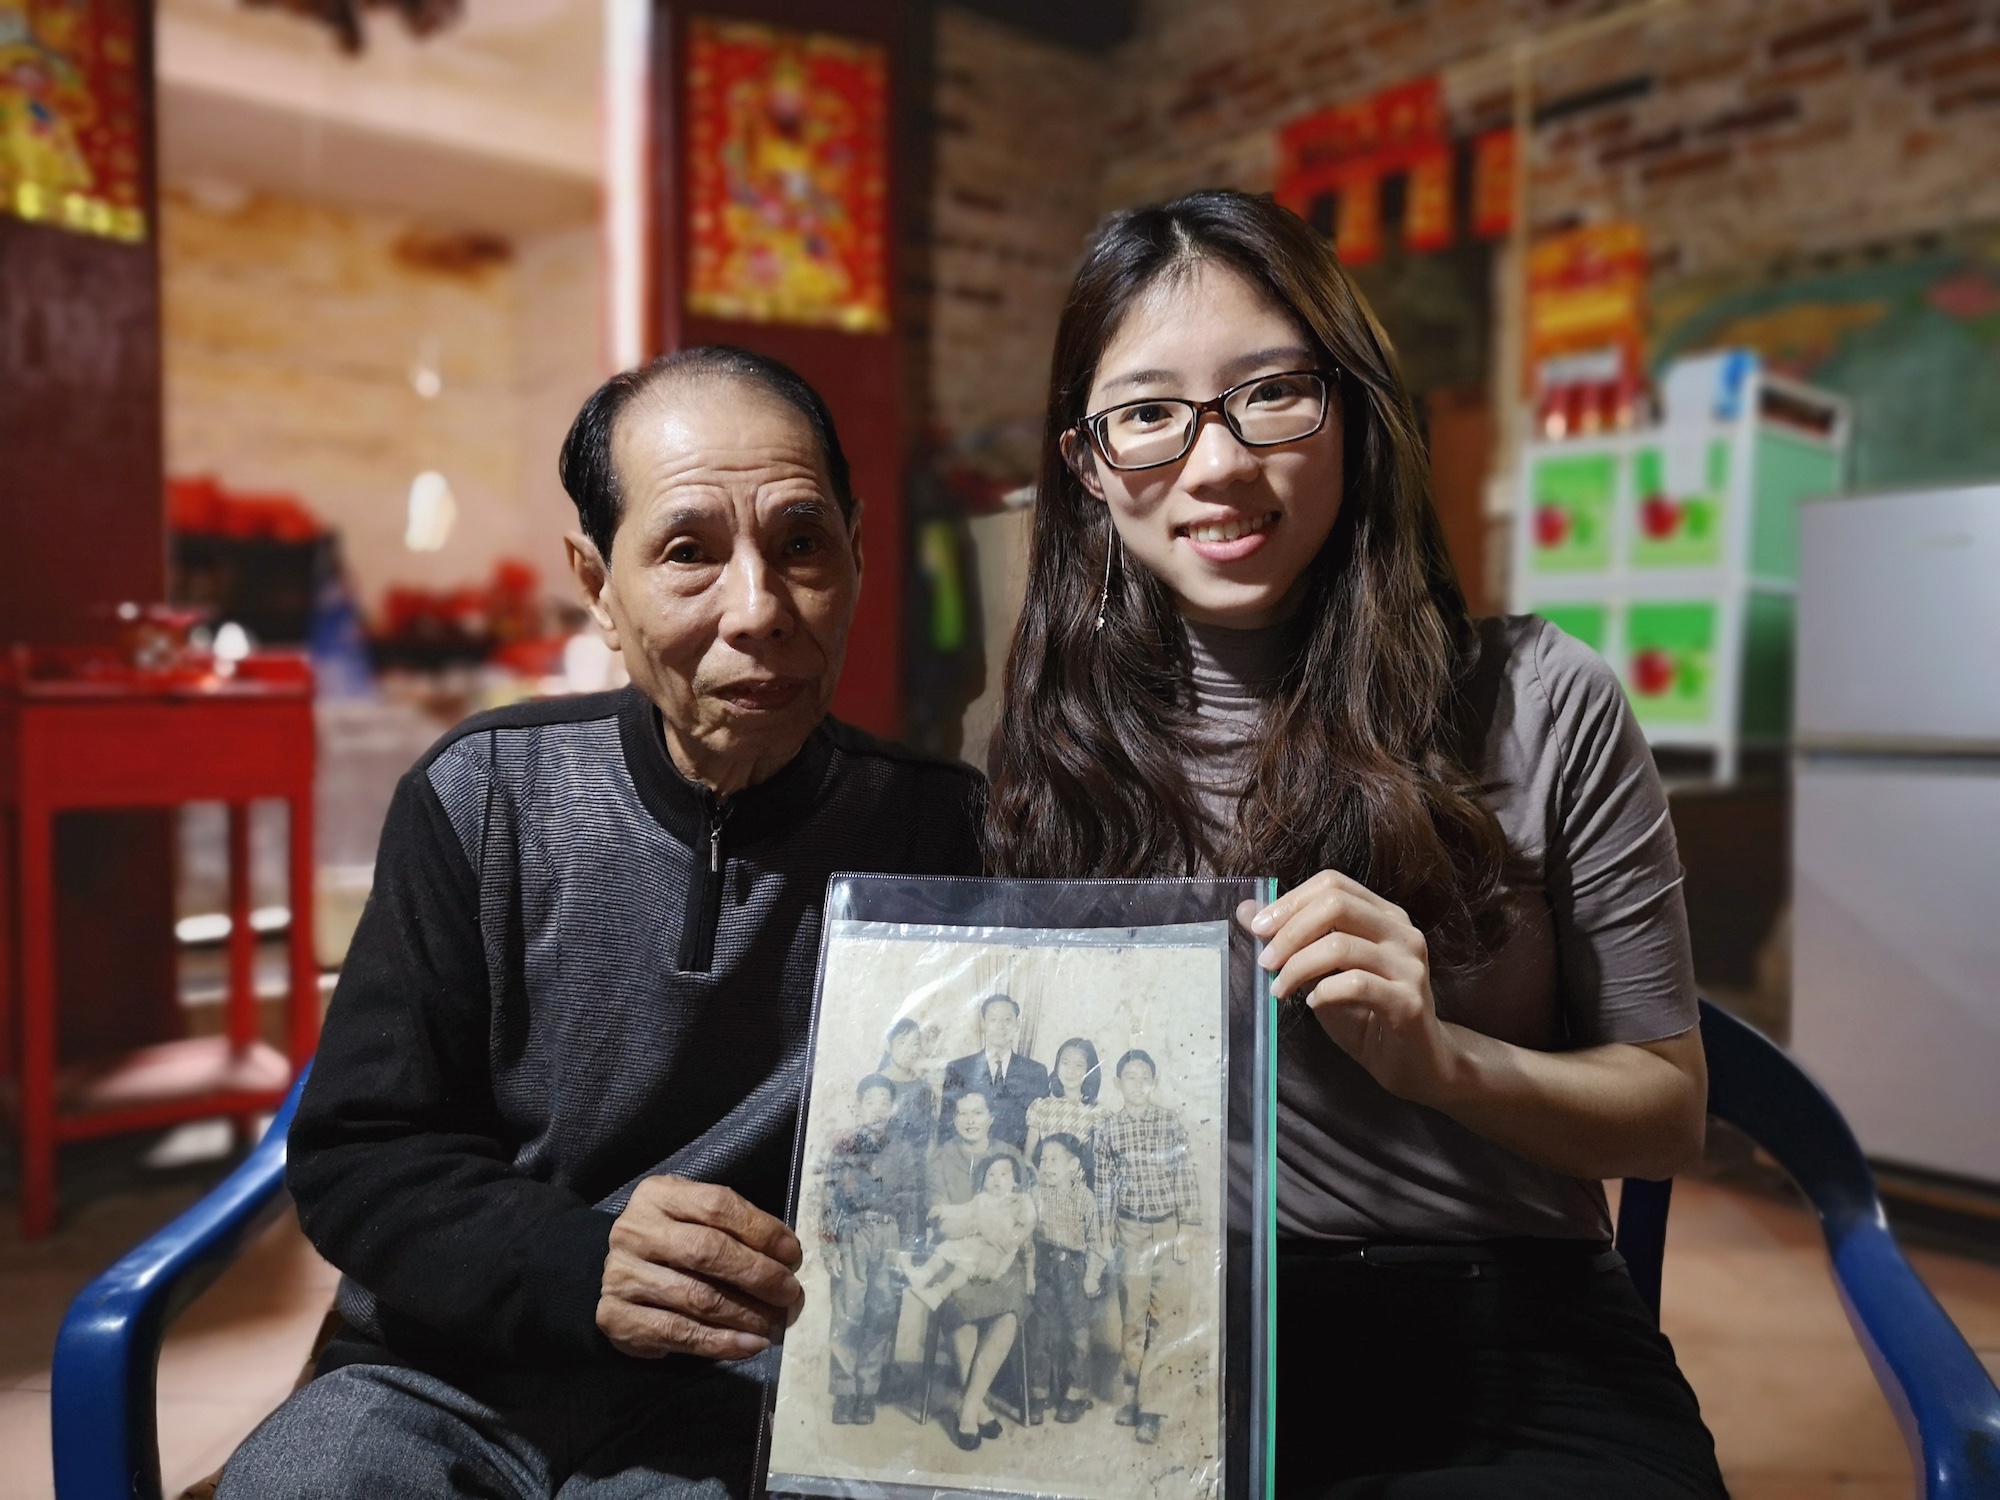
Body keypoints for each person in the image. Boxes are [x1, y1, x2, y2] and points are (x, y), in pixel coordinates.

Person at [983, 189, 1726, 1498]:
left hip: (1508, 1327)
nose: (1215, 465)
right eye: (1149, 414)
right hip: (1158, 1330)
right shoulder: (1043, 744)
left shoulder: (1541, 699)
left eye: (1272, 393)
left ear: (1353, 407)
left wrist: (1443, 1063)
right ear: (1091, 465)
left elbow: (1667, 1118)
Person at [219, 346, 985, 1500]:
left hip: (742, 1394)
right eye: (687, 552)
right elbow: (362, 1151)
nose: (759, 610)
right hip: (444, 1374)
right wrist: (578, 1264)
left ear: (859, 555)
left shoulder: (943, 835)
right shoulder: (482, 800)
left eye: (802, 545)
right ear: (597, 582)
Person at [1091, 1050, 1199, 1445]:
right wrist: (1104, 1230)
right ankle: (1133, 1397)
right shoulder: (1108, 1131)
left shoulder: (1169, 1122)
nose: (1137, 1084)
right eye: (1129, 1078)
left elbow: (1184, 1173)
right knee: (1133, 1319)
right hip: (1129, 1232)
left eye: (1144, 1077)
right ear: (1117, 1084)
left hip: (1168, 1228)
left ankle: (1153, 1408)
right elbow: (1103, 1186)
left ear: (1153, 1082)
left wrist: (1186, 1227)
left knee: (1167, 1316)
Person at [923, 1090, 1031, 1452]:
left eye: (978, 1112)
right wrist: (980, 1226)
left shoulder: (1010, 1154)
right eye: (962, 1113)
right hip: (958, 1258)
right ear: (953, 1120)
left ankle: (967, 1406)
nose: (970, 1119)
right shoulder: (940, 1159)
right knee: (961, 1309)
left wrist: (1004, 1233)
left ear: (991, 1117)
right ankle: (979, 1407)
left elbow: (1028, 1208)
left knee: (1007, 1313)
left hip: (1003, 1260)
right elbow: (940, 1223)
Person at [822, 1074, 925, 1426]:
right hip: (854, 1233)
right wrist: (828, 1246)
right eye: (871, 1100)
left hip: (890, 1235)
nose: (878, 1107)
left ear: (893, 1108)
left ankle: (867, 1391)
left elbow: (911, 1199)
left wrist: (907, 1248)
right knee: (847, 1313)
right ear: (858, 1106)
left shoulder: (904, 1150)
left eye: (885, 1101)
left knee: (881, 1312)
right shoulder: (843, 1148)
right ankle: (844, 1390)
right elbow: (829, 1200)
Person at [1027, 1132, 1108, 1424]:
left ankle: (1076, 1393)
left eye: (1055, 1159)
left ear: (1073, 1165)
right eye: (1043, 1159)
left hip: (1074, 1269)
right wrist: (1029, 1273)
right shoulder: (1035, 1194)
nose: (1047, 1165)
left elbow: (1097, 1243)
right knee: (1041, 1331)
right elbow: (1026, 1237)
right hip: (1043, 1266)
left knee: (1078, 1334)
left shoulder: (1085, 1198)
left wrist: (1091, 1275)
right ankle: (1038, 1393)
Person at [903, 1154, 1037, 1310]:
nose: (996, 1179)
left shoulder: (1016, 1203)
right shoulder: (981, 1199)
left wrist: (1025, 1200)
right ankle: (922, 1275)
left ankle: (940, 1292)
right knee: (944, 1250)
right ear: (985, 1182)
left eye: (1003, 1174)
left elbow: (1028, 1220)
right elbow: (963, 1210)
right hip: (972, 1243)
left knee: (963, 1269)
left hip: (994, 1255)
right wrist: (943, 1210)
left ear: (1015, 1181)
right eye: (991, 1174)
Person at [939, 994, 1050, 1149]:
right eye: (993, 1020)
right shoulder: (959, 1069)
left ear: (1017, 1024)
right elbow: (946, 1127)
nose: (1001, 1027)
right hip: (970, 1163)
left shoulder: (1036, 1072)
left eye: (1007, 1020)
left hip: (1017, 1165)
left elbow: (1042, 1131)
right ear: (983, 1024)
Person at [1023, 1036, 1110, 1169]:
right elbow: (1027, 1160)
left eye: (1079, 1065)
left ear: (1089, 1071)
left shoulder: (1099, 1113)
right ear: (1057, 1065)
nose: (1070, 1071)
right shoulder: (1040, 1107)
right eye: (1065, 1063)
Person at [878, 1016, 939, 1149]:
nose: (909, 1049)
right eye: (902, 1042)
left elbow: (929, 1134)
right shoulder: (875, 1083)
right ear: (888, 1045)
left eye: (915, 1044)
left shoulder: (924, 1087)